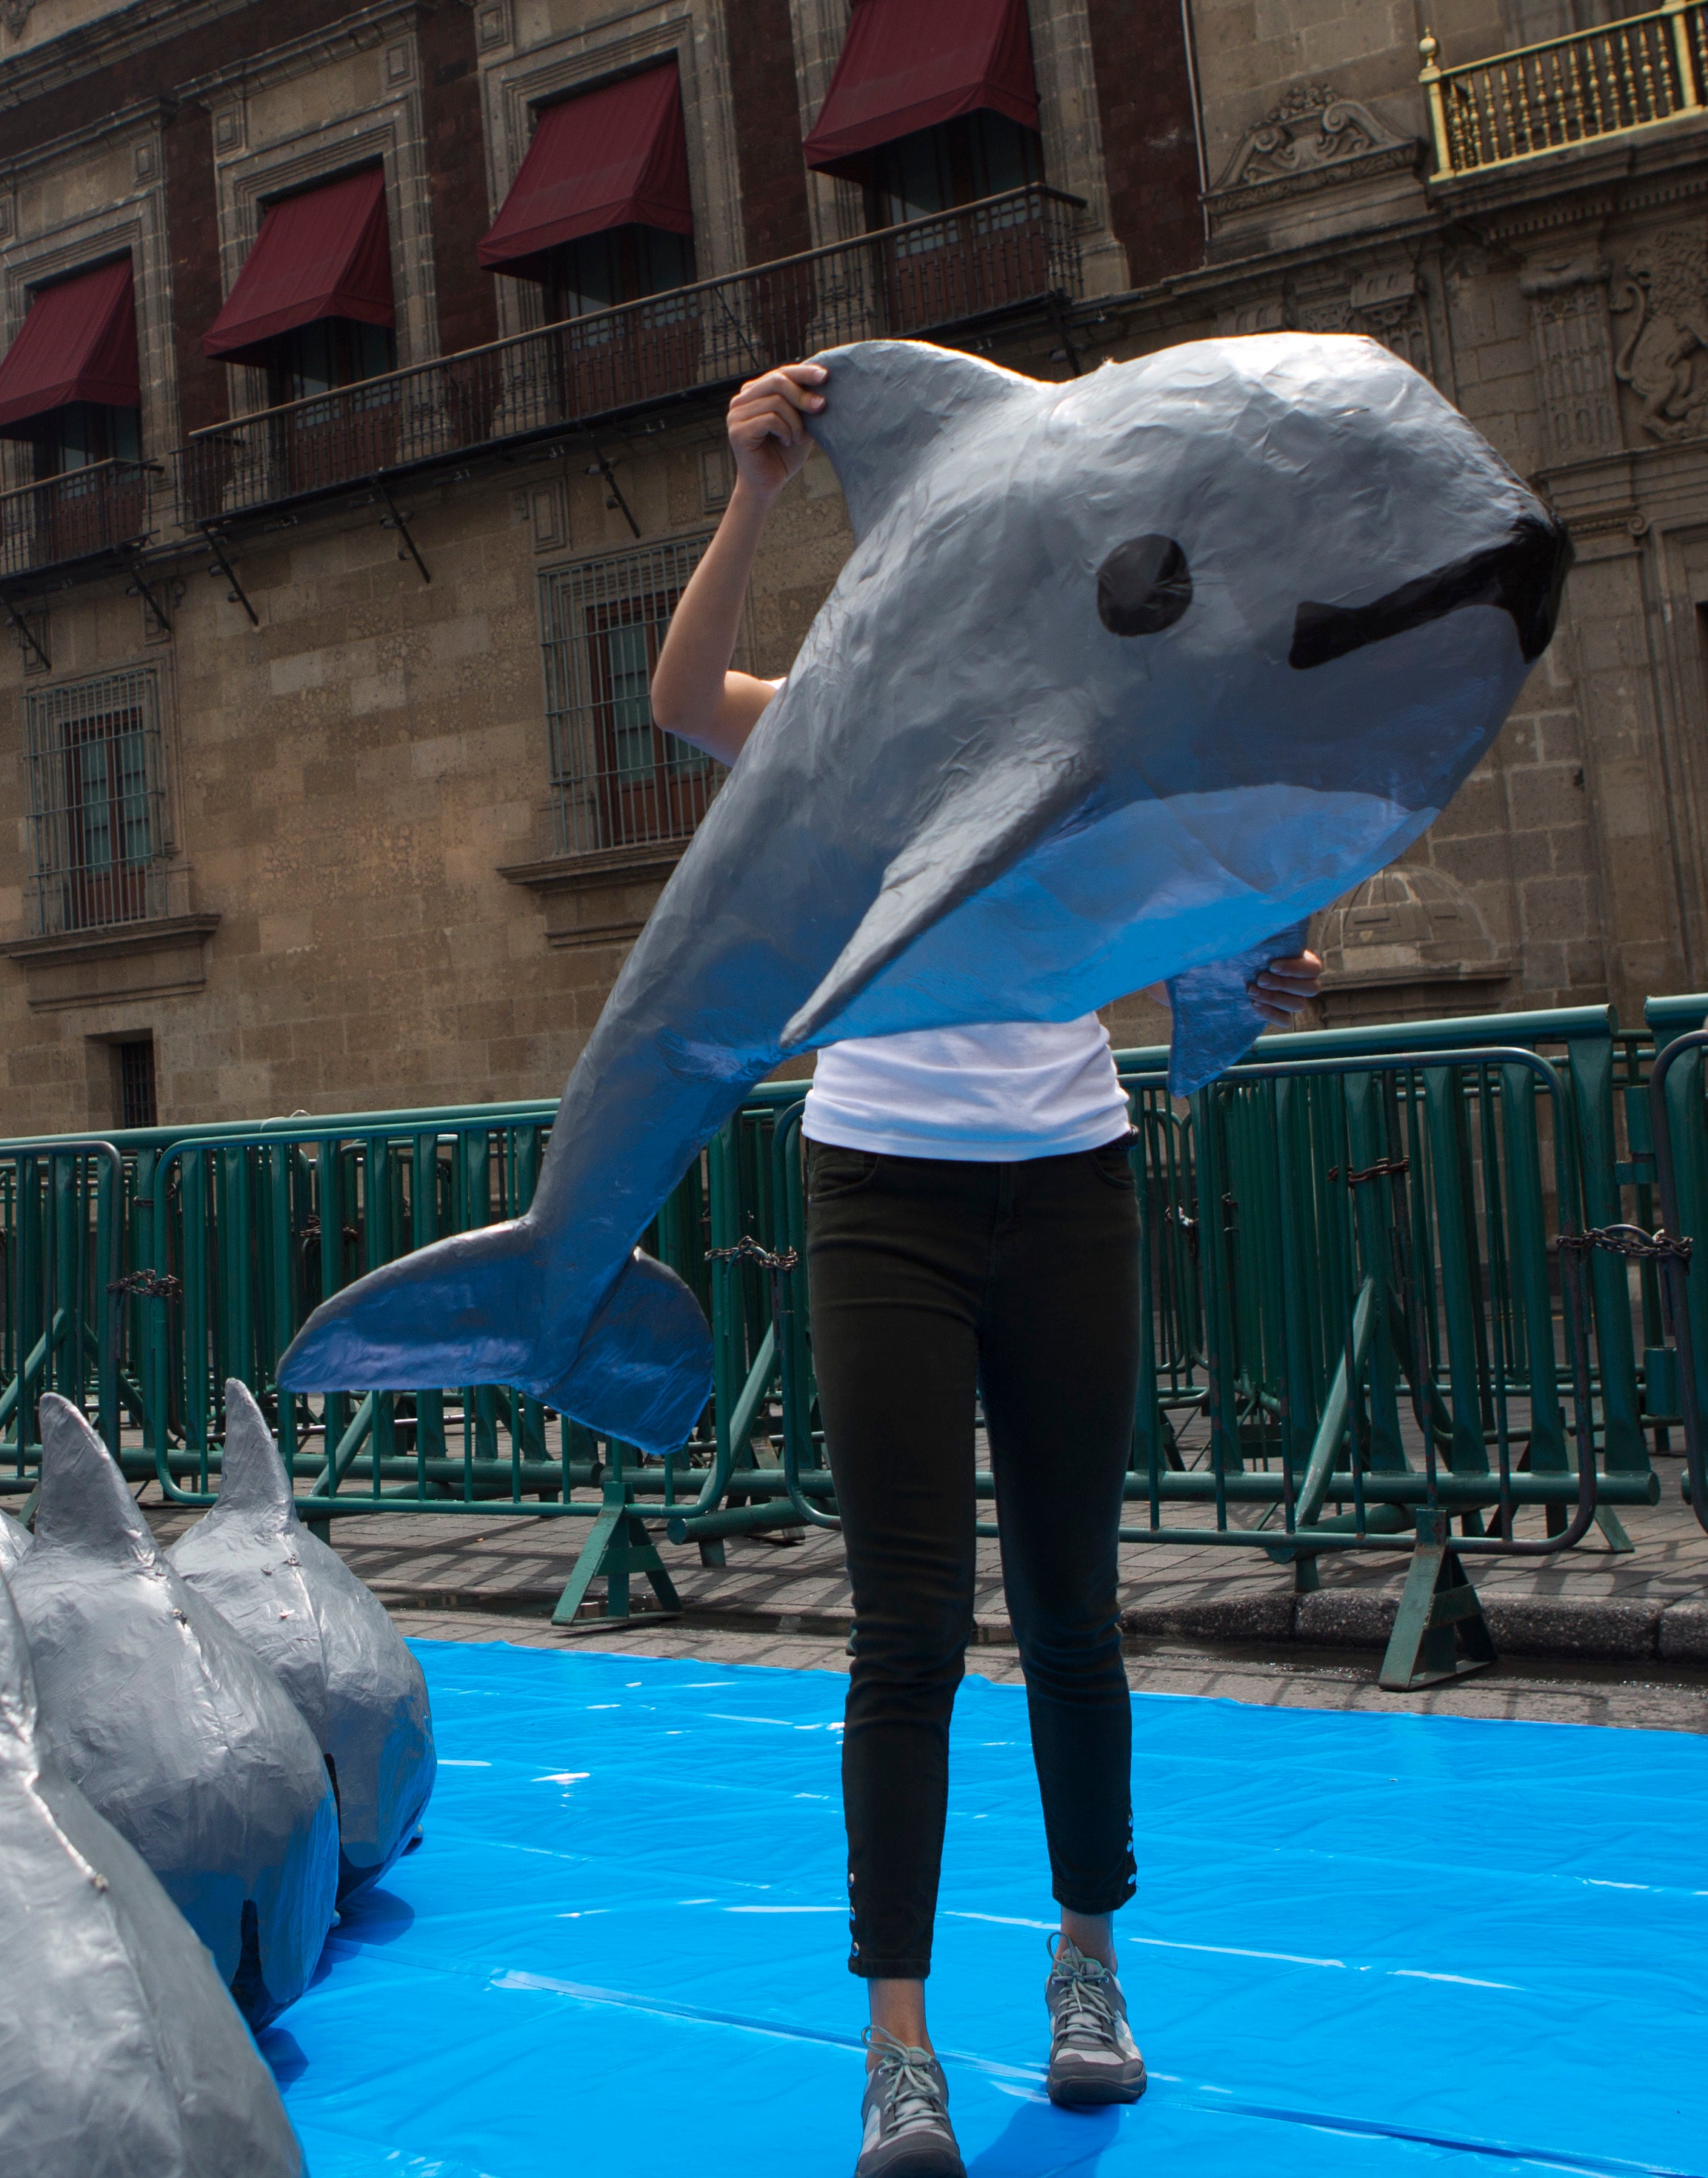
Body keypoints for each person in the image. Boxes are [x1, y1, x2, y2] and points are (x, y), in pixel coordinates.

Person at [648, 359, 1322, 2178]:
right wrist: (754, 494)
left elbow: (1212, 915)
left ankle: (1088, 1975)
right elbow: (678, 694)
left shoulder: (1107, 731)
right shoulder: (848, 722)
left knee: (1078, 1608)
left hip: (1073, 1171)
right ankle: (896, 2050)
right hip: (880, 1182)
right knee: (909, 1628)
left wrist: (1248, 978)